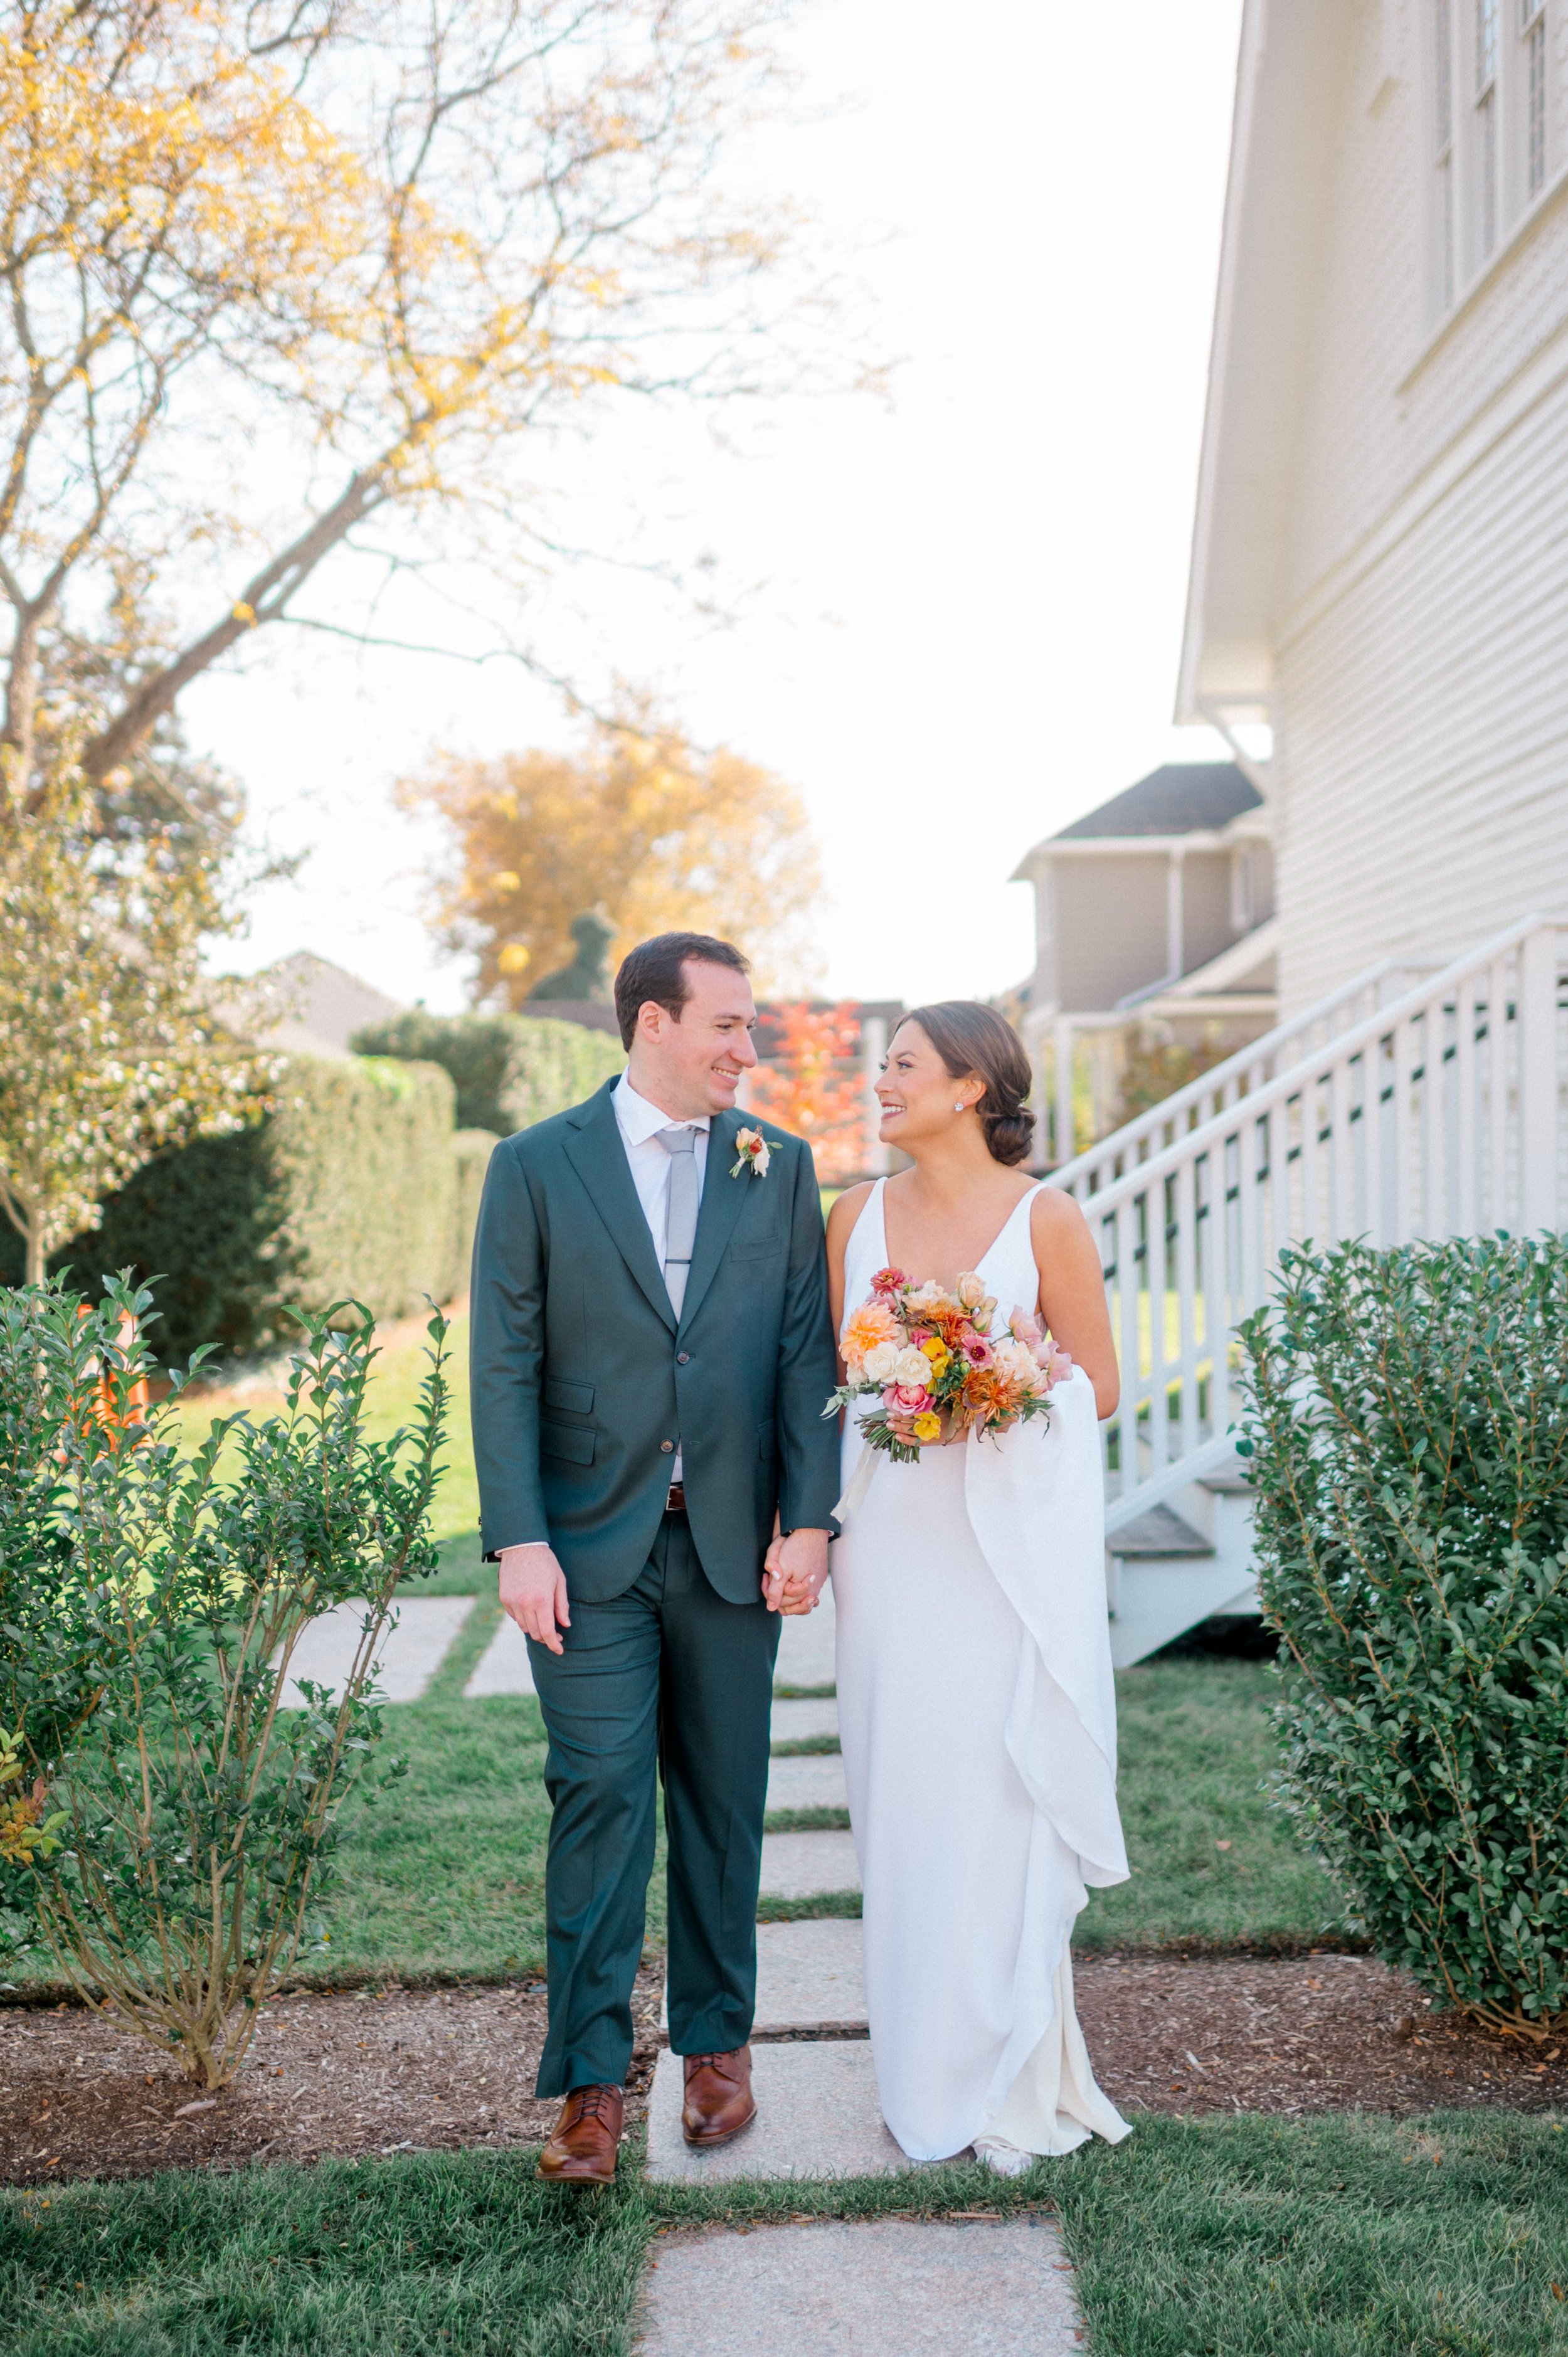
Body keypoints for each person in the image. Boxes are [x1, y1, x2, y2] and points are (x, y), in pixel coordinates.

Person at [469, 931, 840, 2186]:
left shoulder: (776, 1167)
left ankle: (717, 2048)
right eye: (729, 1025)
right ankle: (586, 2084)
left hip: (736, 1544)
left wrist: (811, 1520)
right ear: (651, 1026)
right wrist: (518, 1535)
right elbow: (504, 1361)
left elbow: (804, 1356)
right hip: (581, 1548)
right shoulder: (533, 1167)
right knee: (600, 1800)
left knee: (723, 1801)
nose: (750, 1049)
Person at [790, 1000, 1131, 2171]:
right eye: (880, 1065)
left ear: (971, 1087)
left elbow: (1100, 1386)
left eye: (902, 1065)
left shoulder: (1049, 1218)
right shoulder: (853, 1217)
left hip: (1000, 1563)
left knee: (996, 1797)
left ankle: (1010, 2068)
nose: (879, 1083)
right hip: (890, 1557)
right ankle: (919, 2068)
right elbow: (820, 1382)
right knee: (903, 1799)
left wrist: (1001, 1382)